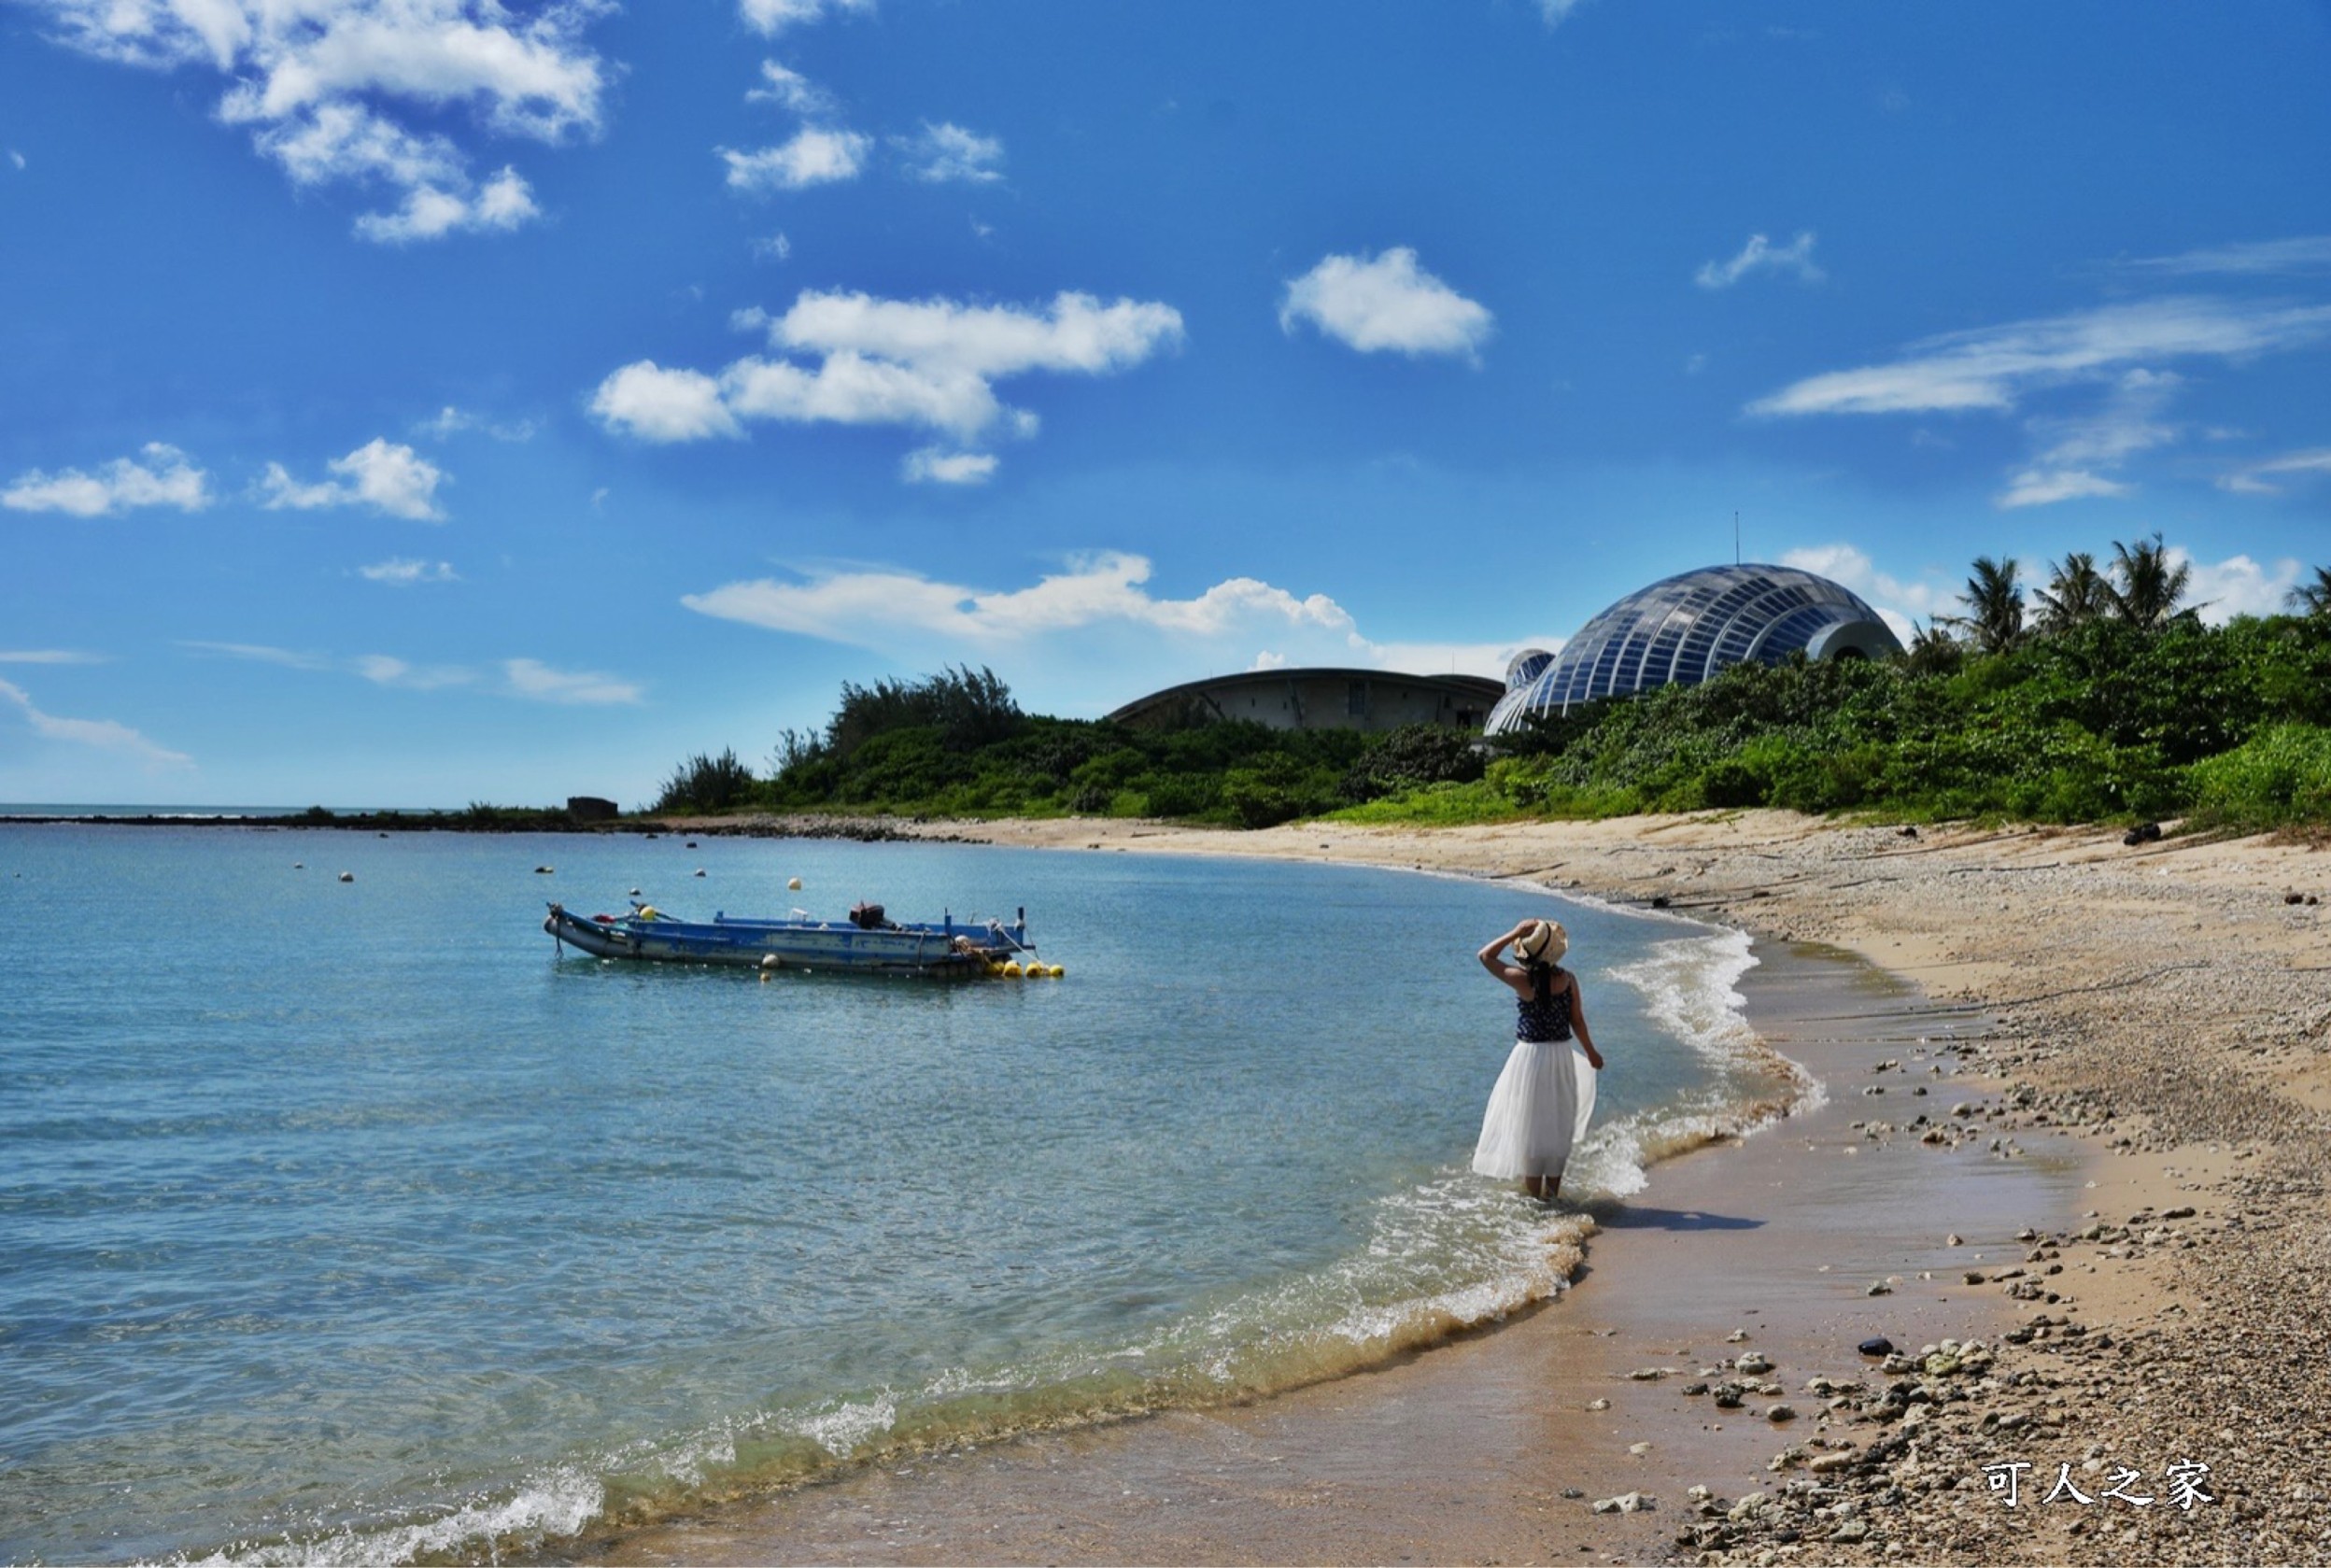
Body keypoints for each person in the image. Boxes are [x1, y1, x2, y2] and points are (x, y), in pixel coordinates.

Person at [1473, 917, 1603, 1200]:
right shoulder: (1568, 980)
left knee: (1531, 1130)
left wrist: (1514, 932)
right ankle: (1553, 1197)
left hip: (1530, 1059)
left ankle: (1535, 1205)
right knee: (1558, 1126)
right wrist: (1591, 1052)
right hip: (1560, 1056)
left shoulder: (1522, 980)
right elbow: (1577, 1021)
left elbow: (1485, 956)